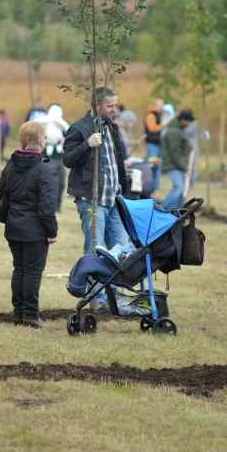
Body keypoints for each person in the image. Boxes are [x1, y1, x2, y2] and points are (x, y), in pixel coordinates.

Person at [63, 87, 130, 313]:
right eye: (110, 106)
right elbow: (68, 159)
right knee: (95, 251)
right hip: (92, 202)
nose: (115, 109)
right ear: (97, 106)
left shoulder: (112, 127)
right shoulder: (79, 129)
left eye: (115, 105)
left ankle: (117, 298)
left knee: (121, 251)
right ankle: (98, 299)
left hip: (114, 201)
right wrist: (87, 144)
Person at [3, 121, 58, 327]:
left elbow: (2, 192)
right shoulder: (45, 170)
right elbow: (47, 206)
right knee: (32, 272)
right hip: (35, 229)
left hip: (14, 225)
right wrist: (52, 231)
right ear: (40, 142)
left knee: (19, 270)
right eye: (44, 137)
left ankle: (18, 313)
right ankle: (30, 314)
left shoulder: (10, 164)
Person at [36, 104, 70, 212]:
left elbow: (69, 132)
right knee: (49, 182)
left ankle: (57, 206)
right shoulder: (44, 123)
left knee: (61, 182)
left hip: (59, 157)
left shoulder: (62, 124)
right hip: (48, 157)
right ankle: (47, 205)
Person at [160, 109, 194, 210]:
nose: (190, 123)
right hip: (172, 165)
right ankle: (164, 208)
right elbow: (175, 153)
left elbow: (180, 146)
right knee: (178, 186)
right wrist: (185, 168)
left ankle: (178, 209)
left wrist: (189, 147)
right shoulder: (174, 132)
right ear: (183, 120)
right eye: (188, 121)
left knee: (184, 188)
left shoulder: (179, 130)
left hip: (178, 164)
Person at [143, 99, 167, 190]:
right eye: (161, 105)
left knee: (158, 165)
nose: (162, 107)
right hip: (152, 144)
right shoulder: (150, 115)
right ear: (156, 105)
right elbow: (152, 128)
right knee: (151, 164)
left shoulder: (159, 115)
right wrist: (163, 126)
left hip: (159, 143)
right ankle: (149, 183)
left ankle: (156, 185)